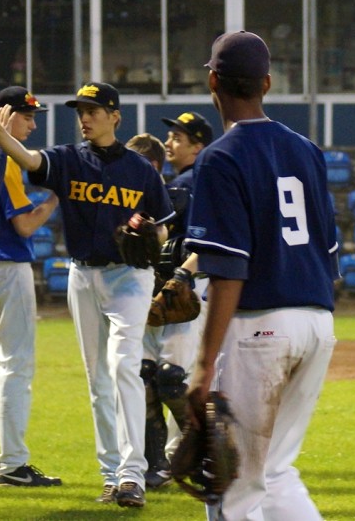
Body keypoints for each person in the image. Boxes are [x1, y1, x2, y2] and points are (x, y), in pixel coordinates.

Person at [0, 81, 174, 508]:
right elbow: (29, 159)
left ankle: (132, 475)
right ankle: (112, 475)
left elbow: (164, 225)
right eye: (81, 111)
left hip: (129, 277)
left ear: (115, 116)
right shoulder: (68, 158)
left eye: (93, 111)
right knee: (98, 380)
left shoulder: (140, 169)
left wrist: (151, 236)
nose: (84, 118)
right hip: (83, 277)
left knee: (124, 366)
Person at [185, 31, 338, 521]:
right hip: (317, 322)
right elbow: (329, 251)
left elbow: (229, 271)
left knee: (233, 487)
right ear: (267, 83)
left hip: (260, 329)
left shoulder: (220, 157)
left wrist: (203, 365)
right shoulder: (307, 150)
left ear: (213, 81)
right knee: (273, 473)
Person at [0, 86, 61, 488]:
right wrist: (55, 200)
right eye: (27, 116)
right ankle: (13, 463)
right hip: (8, 268)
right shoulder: (3, 159)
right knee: (16, 365)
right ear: (6, 115)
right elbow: (24, 225)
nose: (33, 124)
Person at [140, 112, 213, 489]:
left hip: (191, 286)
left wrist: (182, 273)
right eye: (169, 136)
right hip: (170, 285)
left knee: (170, 378)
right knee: (150, 375)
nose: (169, 143)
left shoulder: (198, 182)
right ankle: (158, 465)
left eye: (178, 138)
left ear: (198, 146)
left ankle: (204, 452)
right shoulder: (182, 182)